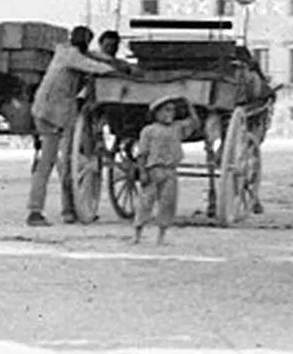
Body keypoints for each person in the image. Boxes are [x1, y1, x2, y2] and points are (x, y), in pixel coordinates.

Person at [25, 25, 131, 226]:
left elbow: (98, 58)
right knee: (50, 163)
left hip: (56, 112)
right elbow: (96, 66)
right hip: (51, 114)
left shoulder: (68, 52)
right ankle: (35, 211)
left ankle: (68, 209)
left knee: (66, 161)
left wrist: (118, 63)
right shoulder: (71, 57)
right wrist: (120, 70)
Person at [132, 96, 198, 246]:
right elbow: (142, 154)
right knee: (146, 202)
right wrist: (142, 172)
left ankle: (161, 237)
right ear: (157, 113)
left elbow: (194, 123)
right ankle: (137, 233)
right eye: (166, 110)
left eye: (172, 110)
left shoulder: (177, 128)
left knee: (167, 204)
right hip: (153, 172)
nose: (170, 114)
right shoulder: (148, 131)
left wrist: (188, 105)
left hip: (170, 172)